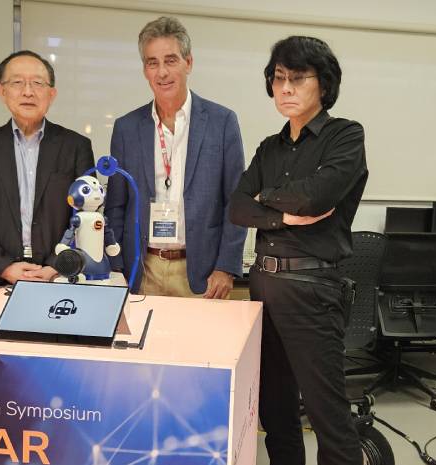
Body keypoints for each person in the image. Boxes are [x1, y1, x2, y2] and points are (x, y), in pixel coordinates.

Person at [229, 36, 368, 465]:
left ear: (323, 84)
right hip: (263, 286)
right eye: (278, 78)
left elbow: (316, 197)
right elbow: (237, 207)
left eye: (298, 78)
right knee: (275, 410)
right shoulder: (269, 148)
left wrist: (265, 198)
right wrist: (284, 216)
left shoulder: (345, 135)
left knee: (328, 416)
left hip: (312, 289)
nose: (285, 88)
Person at [105, 16, 246, 299]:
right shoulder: (126, 128)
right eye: (152, 63)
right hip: (142, 271)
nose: (162, 72)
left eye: (170, 61)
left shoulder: (222, 122)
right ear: (145, 70)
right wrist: (116, 267)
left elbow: (236, 201)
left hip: (203, 274)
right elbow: (116, 206)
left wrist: (226, 267)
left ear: (188, 63)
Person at [0, 50, 94, 298]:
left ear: (52, 94)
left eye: (38, 83)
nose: (28, 92)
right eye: (17, 82)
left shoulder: (76, 147)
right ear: (2, 91)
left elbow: (86, 215)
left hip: (59, 279)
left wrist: (55, 265)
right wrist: (5, 267)